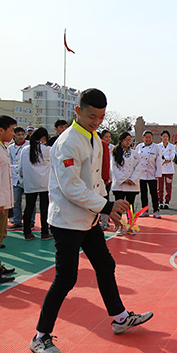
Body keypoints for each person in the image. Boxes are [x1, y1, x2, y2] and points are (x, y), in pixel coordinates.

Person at [29, 89, 153, 353]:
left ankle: (119, 318)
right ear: (78, 111)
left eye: (101, 116)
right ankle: (40, 336)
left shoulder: (94, 138)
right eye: (91, 116)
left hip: (89, 218)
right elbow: (71, 187)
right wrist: (107, 206)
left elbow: (94, 183)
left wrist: (108, 212)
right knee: (66, 278)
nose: (97, 121)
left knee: (106, 265)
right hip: (67, 221)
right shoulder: (67, 142)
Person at [19, 127, 52, 241]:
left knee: (28, 208)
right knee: (44, 208)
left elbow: (21, 168)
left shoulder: (25, 150)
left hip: (30, 183)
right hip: (44, 183)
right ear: (43, 137)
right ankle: (44, 232)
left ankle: (27, 232)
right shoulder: (47, 150)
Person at [0, 115, 17, 283]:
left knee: (2, 234)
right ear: (1, 130)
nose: (13, 134)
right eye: (11, 130)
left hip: (4, 199)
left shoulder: (3, 147)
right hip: (0, 200)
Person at [111, 132, 141, 209]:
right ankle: (118, 221)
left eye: (129, 140)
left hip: (131, 184)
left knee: (130, 206)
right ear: (121, 140)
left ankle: (130, 221)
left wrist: (132, 179)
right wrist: (124, 179)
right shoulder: (115, 152)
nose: (128, 142)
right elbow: (114, 167)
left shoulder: (135, 153)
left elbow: (138, 167)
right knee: (119, 207)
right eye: (126, 140)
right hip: (120, 184)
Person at [136, 131, 162, 218]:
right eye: (146, 137)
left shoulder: (156, 147)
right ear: (143, 137)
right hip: (141, 174)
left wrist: (158, 173)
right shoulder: (139, 147)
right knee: (143, 193)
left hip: (152, 174)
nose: (148, 139)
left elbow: (158, 161)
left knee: (154, 193)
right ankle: (145, 210)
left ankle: (156, 210)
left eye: (149, 137)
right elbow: (135, 160)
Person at [7, 127, 29, 230]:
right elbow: (9, 161)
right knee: (16, 201)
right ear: (14, 135)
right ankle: (17, 221)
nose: (21, 136)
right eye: (18, 134)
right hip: (15, 178)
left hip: (28, 177)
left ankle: (30, 222)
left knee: (30, 202)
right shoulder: (10, 148)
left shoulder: (29, 145)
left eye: (22, 134)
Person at [157, 130, 176, 210]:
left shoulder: (172, 146)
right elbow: (158, 156)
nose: (165, 138)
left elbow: (172, 156)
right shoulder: (157, 146)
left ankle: (167, 202)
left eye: (166, 136)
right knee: (160, 187)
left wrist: (164, 158)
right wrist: (165, 159)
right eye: (164, 136)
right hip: (160, 169)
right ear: (161, 137)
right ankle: (160, 201)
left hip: (169, 170)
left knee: (168, 187)